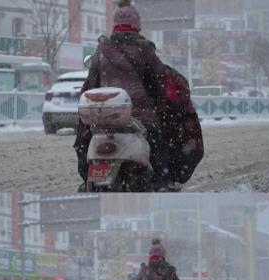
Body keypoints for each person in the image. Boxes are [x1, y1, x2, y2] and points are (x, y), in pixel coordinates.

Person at [74, 0, 202, 191]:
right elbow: (162, 83)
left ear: (115, 25)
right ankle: (161, 183)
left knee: (84, 140)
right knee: (159, 143)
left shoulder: (102, 50)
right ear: (137, 25)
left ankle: (87, 181)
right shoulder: (145, 50)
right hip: (141, 118)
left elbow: (91, 84)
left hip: (105, 118)